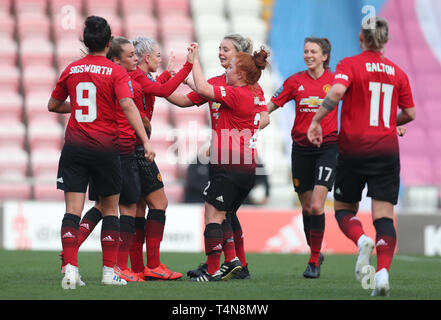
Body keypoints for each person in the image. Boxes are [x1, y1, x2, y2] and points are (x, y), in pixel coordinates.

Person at [307, 17, 416, 296]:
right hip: (386, 151)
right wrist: (391, 123)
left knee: (344, 209)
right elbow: (410, 114)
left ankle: (361, 239)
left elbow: (338, 91)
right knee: (384, 217)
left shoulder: (350, 65)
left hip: (353, 149)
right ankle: (381, 275)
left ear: (360, 37)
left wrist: (317, 120)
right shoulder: (398, 73)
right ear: (385, 40)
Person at [48, 16, 154, 289]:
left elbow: (54, 105)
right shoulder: (115, 71)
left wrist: (83, 109)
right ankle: (109, 273)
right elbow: (129, 106)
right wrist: (146, 141)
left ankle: (70, 270)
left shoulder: (71, 69)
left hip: (73, 147)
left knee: (72, 210)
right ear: (109, 43)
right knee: (110, 210)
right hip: (106, 150)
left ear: (86, 41)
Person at [167, 34, 269, 280]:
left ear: (240, 58)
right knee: (227, 214)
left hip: (230, 160)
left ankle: (221, 266)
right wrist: (162, 86)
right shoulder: (219, 84)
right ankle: (234, 263)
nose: (221, 53)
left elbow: (264, 118)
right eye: (219, 49)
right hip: (237, 160)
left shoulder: (244, 88)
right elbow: (184, 100)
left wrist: (234, 136)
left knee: (214, 214)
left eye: (226, 49)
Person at [75, 36, 148, 282]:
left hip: (100, 148)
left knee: (101, 207)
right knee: (127, 206)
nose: (135, 58)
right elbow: (138, 105)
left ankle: (70, 251)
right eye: (130, 55)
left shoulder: (99, 78)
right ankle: (118, 268)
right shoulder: (124, 82)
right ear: (116, 59)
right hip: (123, 149)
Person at [267, 37, 336, 278]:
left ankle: (314, 260)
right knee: (307, 208)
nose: (308, 55)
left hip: (328, 147)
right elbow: (271, 107)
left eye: (313, 52)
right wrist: (250, 121)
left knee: (317, 204)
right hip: (301, 149)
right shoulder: (295, 81)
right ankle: (315, 252)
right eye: (305, 51)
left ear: (324, 56)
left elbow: (358, 105)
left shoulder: (336, 82)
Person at [128, 36, 195, 280]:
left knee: (138, 207)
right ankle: (153, 265)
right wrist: (188, 66)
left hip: (129, 148)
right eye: (157, 55)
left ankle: (136, 268)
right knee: (159, 203)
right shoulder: (137, 77)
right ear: (146, 58)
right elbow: (163, 90)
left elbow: (156, 85)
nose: (160, 58)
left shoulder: (139, 77)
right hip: (137, 149)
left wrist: (167, 73)